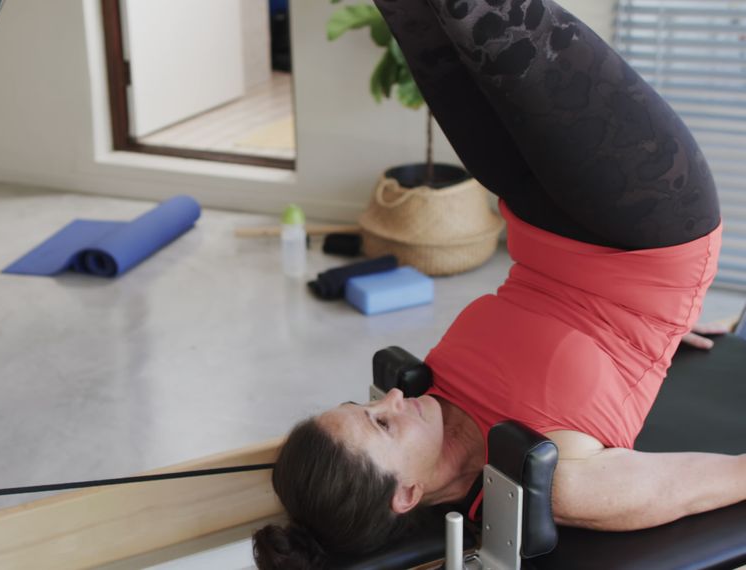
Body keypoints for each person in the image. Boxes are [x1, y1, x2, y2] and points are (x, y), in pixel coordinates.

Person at [252, 0, 746, 568]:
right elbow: (696, 483)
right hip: (646, 235)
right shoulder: (550, 478)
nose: (392, 397)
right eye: (383, 422)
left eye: (364, 405)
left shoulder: (430, 400)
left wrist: (653, 344)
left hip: (537, 216)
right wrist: (649, 330)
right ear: (406, 494)